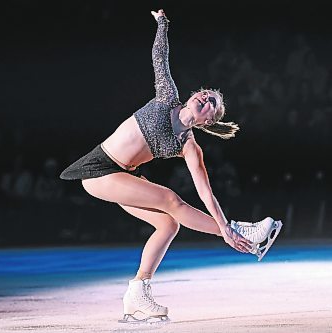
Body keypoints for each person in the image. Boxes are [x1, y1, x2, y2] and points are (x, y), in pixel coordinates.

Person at [60, 9, 282, 323]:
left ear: (208, 120)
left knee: (169, 224)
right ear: (192, 97)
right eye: (205, 94)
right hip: (99, 169)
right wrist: (162, 24)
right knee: (169, 200)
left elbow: (206, 193)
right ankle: (236, 231)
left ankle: (137, 293)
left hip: (122, 176)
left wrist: (220, 222)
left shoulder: (190, 146)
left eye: (212, 103)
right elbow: (160, 58)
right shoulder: (167, 98)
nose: (206, 97)